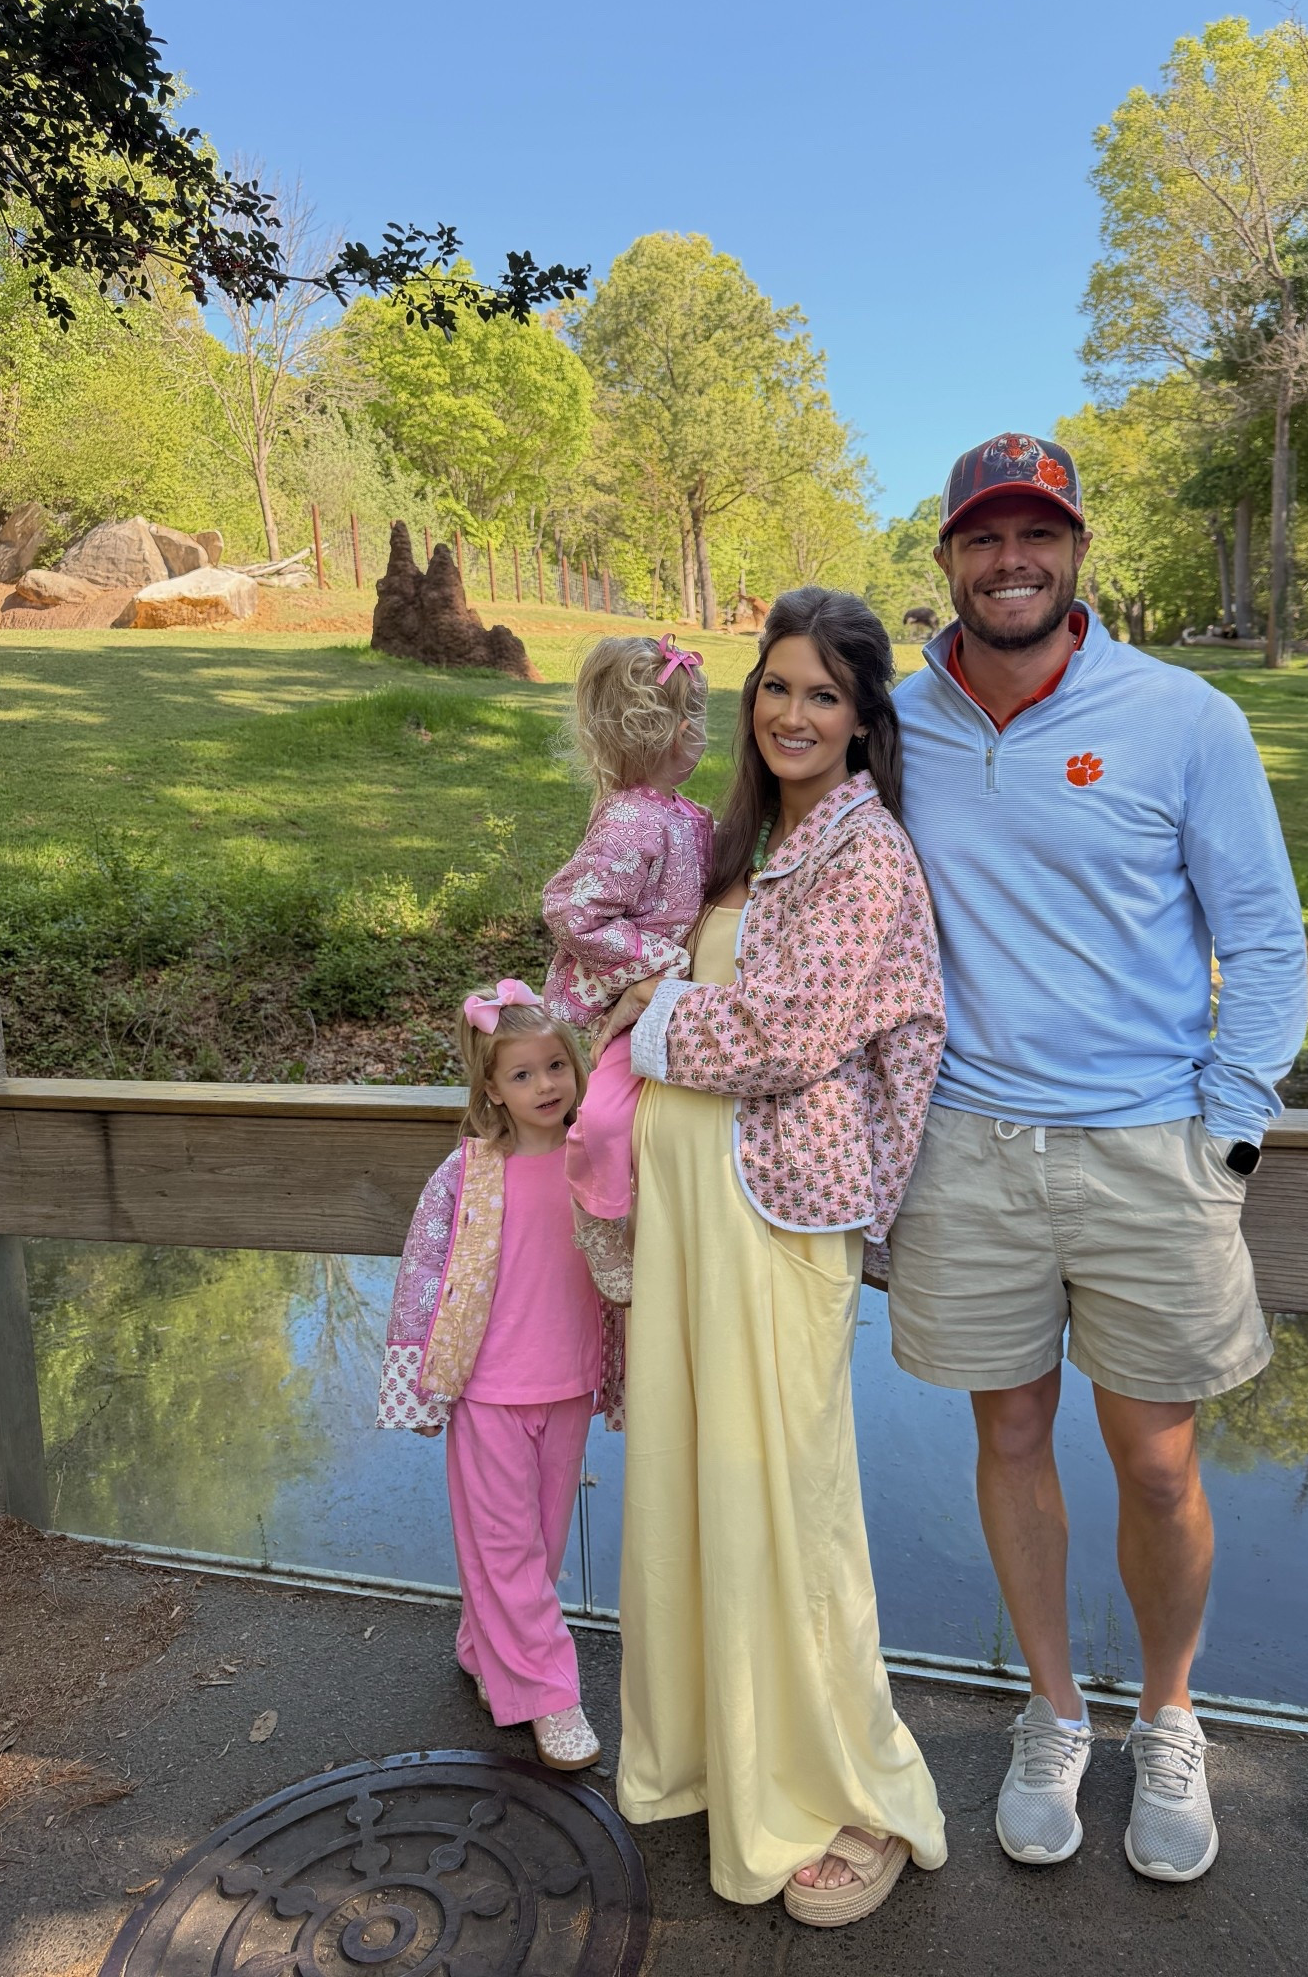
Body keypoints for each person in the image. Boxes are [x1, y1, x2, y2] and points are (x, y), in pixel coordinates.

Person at [888, 432, 1308, 1883]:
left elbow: (1261, 939)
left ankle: (1169, 1716)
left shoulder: (1183, 718)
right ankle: (1053, 1711)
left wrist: (1228, 1135)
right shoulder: (895, 726)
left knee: (1158, 1459)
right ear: (946, 556)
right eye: (984, 536)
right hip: (969, 1149)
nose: (1014, 560)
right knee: (1007, 1435)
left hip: (1149, 1151)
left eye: (1039, 534)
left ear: (1076, 550)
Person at [594, 587, 949, 1927]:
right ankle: (711, 1754)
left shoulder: (868, 857)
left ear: (863, 724)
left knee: (785, 1508)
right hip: (691, 1219)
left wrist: (654, 1019)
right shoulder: (744, 841)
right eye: (776, 687)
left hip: (776, 1219)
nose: (793, 713)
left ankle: (847, 1791)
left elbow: (788, 1035)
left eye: (824, 695)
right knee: (694, 1487)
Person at [376, 980, 609, 1772]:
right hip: (486, 1389)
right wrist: (417, 1381)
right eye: (522, 1074)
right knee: (507, 1545)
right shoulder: (468, 1173)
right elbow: (422, 1271)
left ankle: (487, 1647)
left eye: (556, 1066)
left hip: (570, 1383)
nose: (546, 1085)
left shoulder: (596, 1158)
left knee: (537, 1547)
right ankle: (551, 1694)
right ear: (490, 1090)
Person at [541, 632, 714, 1306]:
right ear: (660, 733)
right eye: (691, 719)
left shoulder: (684, 815)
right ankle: (601, 1224)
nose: (702, 733)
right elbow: (570, 909)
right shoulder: (631, 821)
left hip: (663, 1005)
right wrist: (661, 962)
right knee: (606, 1119)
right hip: (619, 1007)